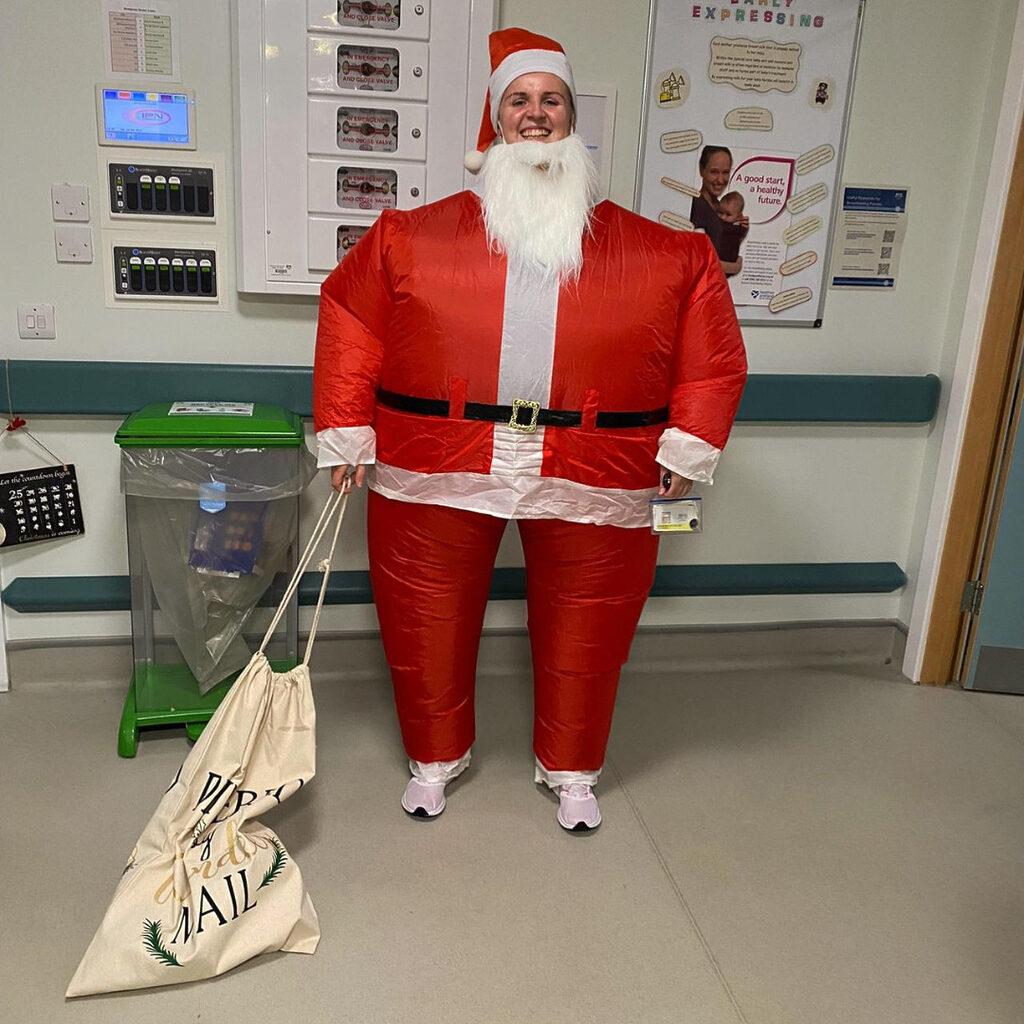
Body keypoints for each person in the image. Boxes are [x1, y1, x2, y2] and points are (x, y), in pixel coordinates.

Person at [313, 28, 746, 833]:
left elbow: (711, 351)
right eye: (520, 100)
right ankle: (433, 760)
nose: (536, 115)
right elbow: (349, 319)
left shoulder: (666, 254)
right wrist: (346, 432)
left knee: (592, 620)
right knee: (425, 611)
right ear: (495, 121)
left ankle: (574, 768)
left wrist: (688, 444)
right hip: (437, 460)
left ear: (573, 119)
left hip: (598, 464)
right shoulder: (409, 238)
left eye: (552, 101)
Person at [689, 145, 747, 276]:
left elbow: (719, 245)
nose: (720, 180)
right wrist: (734, 267)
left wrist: (740, 232)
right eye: (714, 172)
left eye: (725, 172)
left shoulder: (719, 206)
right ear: (701, 170)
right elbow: (695, 260)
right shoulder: (695, 207)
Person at [715, 190, 748, 266]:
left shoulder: (735, 230)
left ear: (738, 217)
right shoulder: (739, 228)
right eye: (720, 212)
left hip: (727, 262)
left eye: (728, 214)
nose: (723, 217)